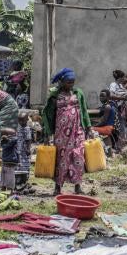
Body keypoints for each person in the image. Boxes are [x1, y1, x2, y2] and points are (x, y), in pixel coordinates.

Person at [42, 68, 92, 196]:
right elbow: (47, 115)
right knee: (61, 158)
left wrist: (88, 128)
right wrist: (47, 133)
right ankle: (58, 188)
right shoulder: (54, 95)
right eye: (68, 82)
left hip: (77, 131)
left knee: (78, 157)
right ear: (62, 82)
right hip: (61, 134)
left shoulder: (78, 93)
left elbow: (84, 111)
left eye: (73, 82)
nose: (71, 84)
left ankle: (78, 186)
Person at [15, 112, 33, 191]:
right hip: (18, 149)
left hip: (24, 151)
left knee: (25, 165)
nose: (21, 122)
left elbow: (28, 140)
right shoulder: (18, 127)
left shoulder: (27, 129)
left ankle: (24, 181)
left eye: (22, 121)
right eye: (19, 121)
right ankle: (18, 180)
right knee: (18, 165)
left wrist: (28, 149)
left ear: (27, 120)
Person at [0, 127, 18, 192]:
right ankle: (10, 190)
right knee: (10, 177)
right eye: (13, 135)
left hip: (5, 161)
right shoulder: (9, 142)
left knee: (4, 176)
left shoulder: (4, 141)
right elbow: (15, 139)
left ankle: (3, 188)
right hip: (10, 162)